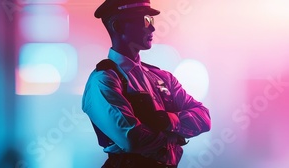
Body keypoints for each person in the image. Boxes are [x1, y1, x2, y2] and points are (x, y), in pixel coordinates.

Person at [81, 0, 212, 167]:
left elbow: (204, 118)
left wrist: (167, 121)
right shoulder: (104, 80)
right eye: (145, 20)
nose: (152, 28)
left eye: (152, 20)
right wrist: (176, 136)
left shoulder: (162, 77)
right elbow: (132, 139)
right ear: (118, 26)